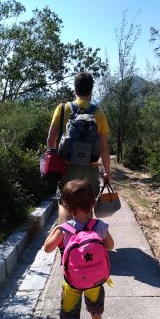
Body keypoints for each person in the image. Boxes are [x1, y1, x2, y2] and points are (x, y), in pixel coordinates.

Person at [44, 179, 114, 319]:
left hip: (72, 282)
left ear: (66, 206)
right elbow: (110, 246)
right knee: (96, 305)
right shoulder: (99, 226)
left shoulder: (64, 229)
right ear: (93, 203)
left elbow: (47, 248)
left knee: (69, 312)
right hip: (95, 279)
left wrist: (56, 229)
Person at [47, 71, 111, 221]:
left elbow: (51, 139)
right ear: (91, 91)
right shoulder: (99, 113)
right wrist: (107, 172)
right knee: (87, 205)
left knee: (65, 202)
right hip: (91, 168)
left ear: (75, 90)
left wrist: (53, 163)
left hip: (67, 167)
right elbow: (104, 148)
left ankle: (68, 238)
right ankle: (85, 240)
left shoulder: (63, 108)